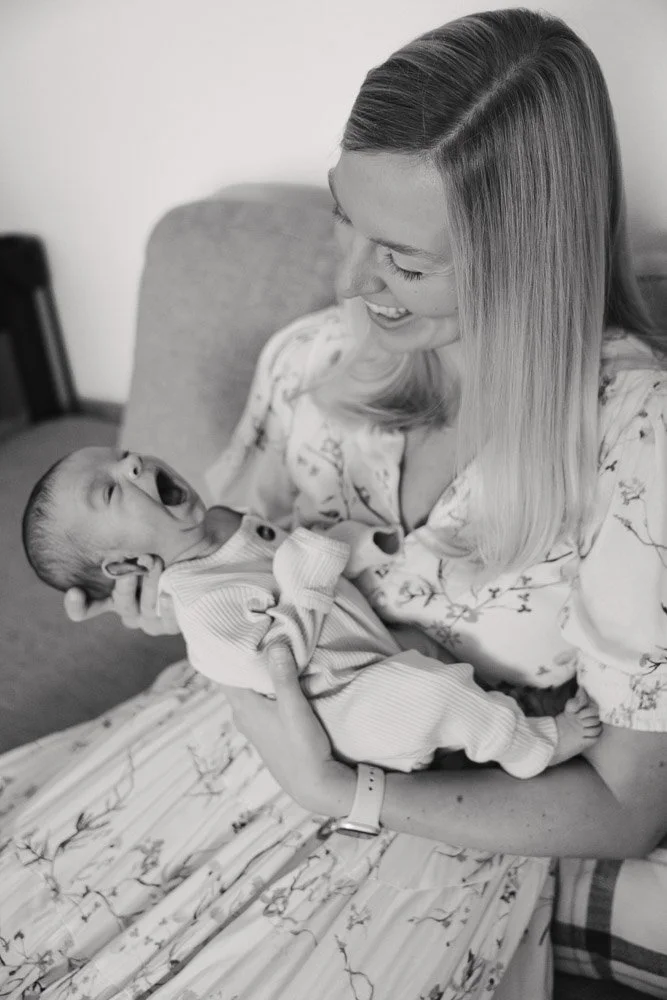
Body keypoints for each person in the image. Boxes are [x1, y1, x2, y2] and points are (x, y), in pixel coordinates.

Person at [2, 8, 666, 999]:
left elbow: (626, 803)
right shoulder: (312, 361)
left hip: (425, 828)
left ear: (524, 252)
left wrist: (344, 791)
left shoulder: (633, 438)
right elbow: (218, 555)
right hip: (207, 755)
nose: (352, 279)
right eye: (343, 222)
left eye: (402, 259)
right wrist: (153, 590)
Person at [22, 445, 600, 776]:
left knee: (433, 667)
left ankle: (487, 724)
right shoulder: (202, 610)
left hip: (369, 652)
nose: (133, 466)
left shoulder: (222, 524)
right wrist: (307, 575)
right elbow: (279, 661)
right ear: (125, 568)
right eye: (111, 491)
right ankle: (531, 747)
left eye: (126, 457)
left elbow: (300, 541)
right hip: (341, 706)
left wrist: (361, 546)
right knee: (437, 694)